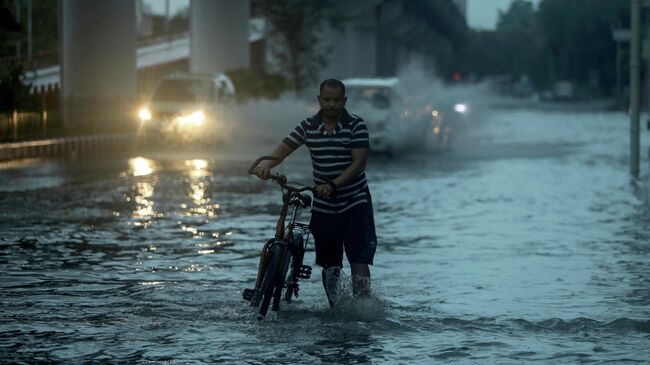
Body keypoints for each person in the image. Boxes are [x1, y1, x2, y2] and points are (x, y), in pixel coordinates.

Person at [251, 78, 377, 307]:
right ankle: (336, 307)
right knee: (330, 264)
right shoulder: (309, 126)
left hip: (355, 203)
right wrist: (266, 166)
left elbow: (359, 163)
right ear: (319, 100)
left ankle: (363, 307)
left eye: (336, 100)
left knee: (358, 258)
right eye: (326, 100)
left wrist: (333, 185)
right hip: (324, 206)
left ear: (344, 101)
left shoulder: (356, 125)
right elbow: (283, 150)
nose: (331, 105)